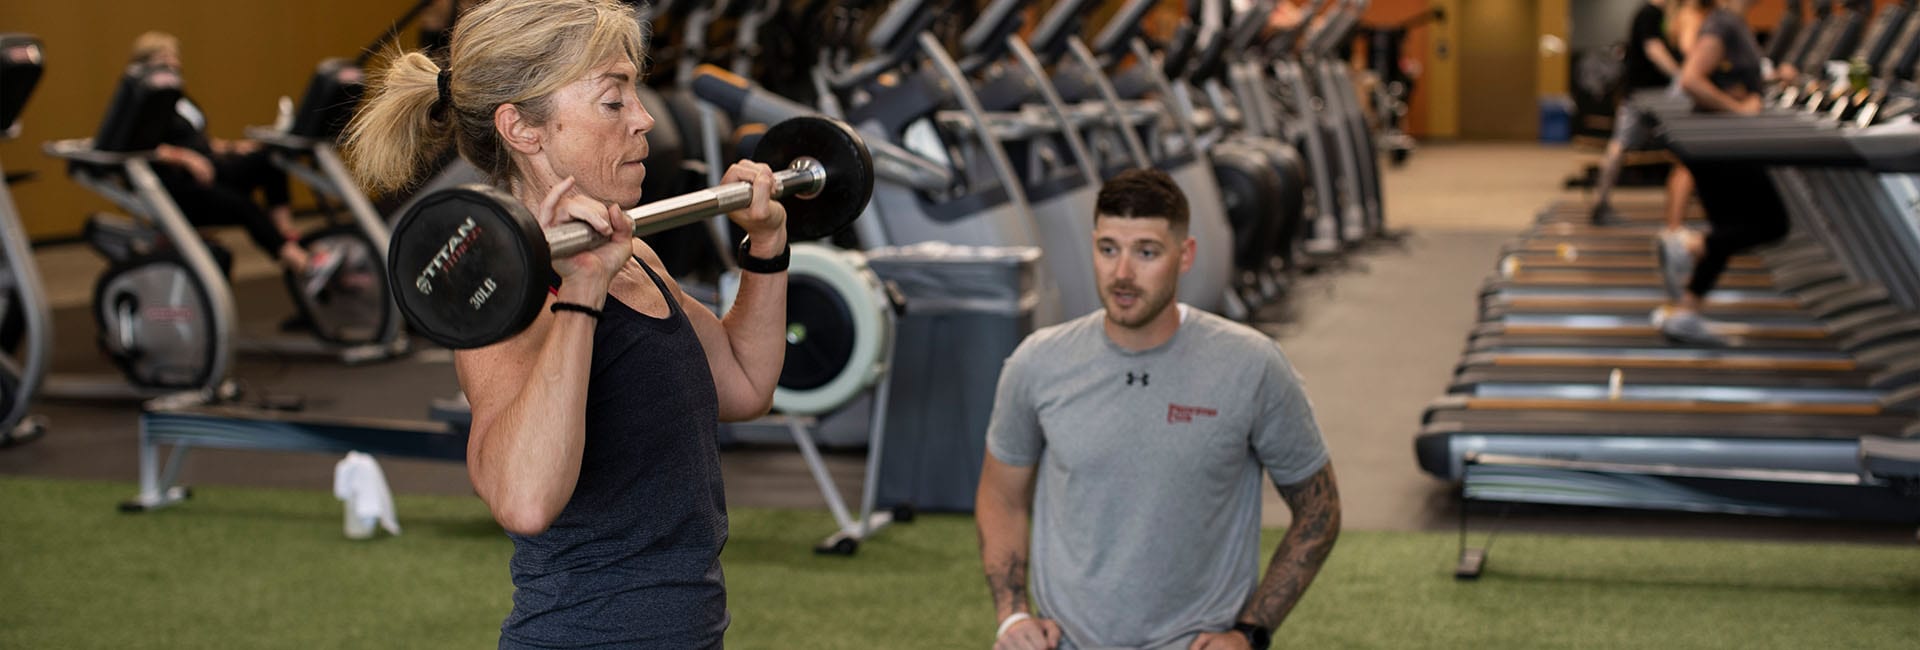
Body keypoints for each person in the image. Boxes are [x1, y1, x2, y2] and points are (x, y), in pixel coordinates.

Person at [345, 0, 791, 647]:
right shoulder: (504, 296)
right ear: (524, 129)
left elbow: (747, 384)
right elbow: (524, 502)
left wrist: (767, 246)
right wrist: (580, 293)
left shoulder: (634, 254)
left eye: (636, 93)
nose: (642, 119)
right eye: (614, 101)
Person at [976, 168, 1342, 650]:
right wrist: (1012, 614)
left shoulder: (1251, 366)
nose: (1122, 272)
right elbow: (1001, 496)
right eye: (1109, 249)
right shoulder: (1038, 363)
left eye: (1146, 252)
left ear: (1184, 255)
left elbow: (1319, 510)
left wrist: (1250, 632)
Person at [130, 32, 339, 295]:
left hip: (212, 169)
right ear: (145, 64)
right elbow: (138, 145)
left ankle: (287, 233)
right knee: (243, 204)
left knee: (269, 161)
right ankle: (301, 265)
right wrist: (186, 158)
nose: (173, 62)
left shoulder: (181, 98)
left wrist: (236, 147)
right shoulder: (147, 102)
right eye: (164, 57)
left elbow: (200, 140)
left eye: (174, 56)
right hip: (181, 185)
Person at [1657, 0, 1781, 346]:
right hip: (1719, 142)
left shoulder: (1730, 23)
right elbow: (1691, 80)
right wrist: (1739, 110)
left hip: (1719, 141)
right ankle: (1690, 247)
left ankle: (1686, 310)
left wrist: (1769, 80)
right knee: (1770, 223)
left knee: (1729, 229)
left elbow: (1730, 76)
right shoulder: (1723, 24)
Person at [1587, 0, 1683, 225]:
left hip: (1656, 96)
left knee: (1678, 148)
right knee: (1619, 146)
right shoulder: (1648, 14)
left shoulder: (1662, 15)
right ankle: (1599, 202)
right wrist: (1680, 76)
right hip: (1642, 97)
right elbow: (1654, 50)